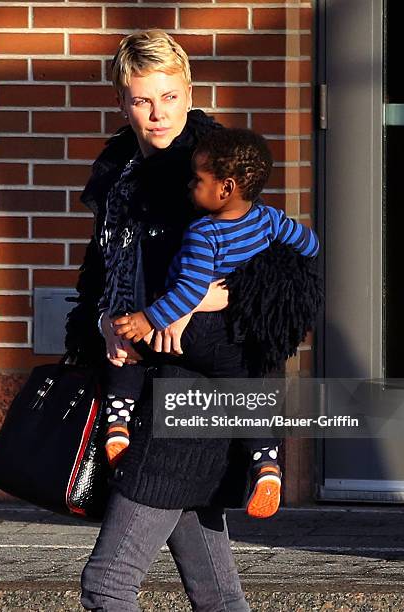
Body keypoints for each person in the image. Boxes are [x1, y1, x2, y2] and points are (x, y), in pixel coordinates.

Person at [65, 29, 321, 612]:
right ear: (121, 99)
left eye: (170, 96)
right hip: (149, 380)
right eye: (142, 99)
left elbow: (283, 274)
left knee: (107, 584)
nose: (158, 113)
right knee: (215, 592)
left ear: (189, 91)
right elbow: (100, 273)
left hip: (196, 389)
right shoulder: (118, 174)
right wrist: (107, 319)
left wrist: (210, 296)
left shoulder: (215, 163)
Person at [110, 127, 319, 519]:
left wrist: (145, 318)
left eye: (198, 180)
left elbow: (189, 291)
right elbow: (309, 244)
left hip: (195, 331)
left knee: (127, 346)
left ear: (225, 188)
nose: (190, 186)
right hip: (236, 337)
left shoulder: (203, 233)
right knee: (244, 394)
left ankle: (118, 423)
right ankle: (268, 465)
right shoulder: (269, 219)